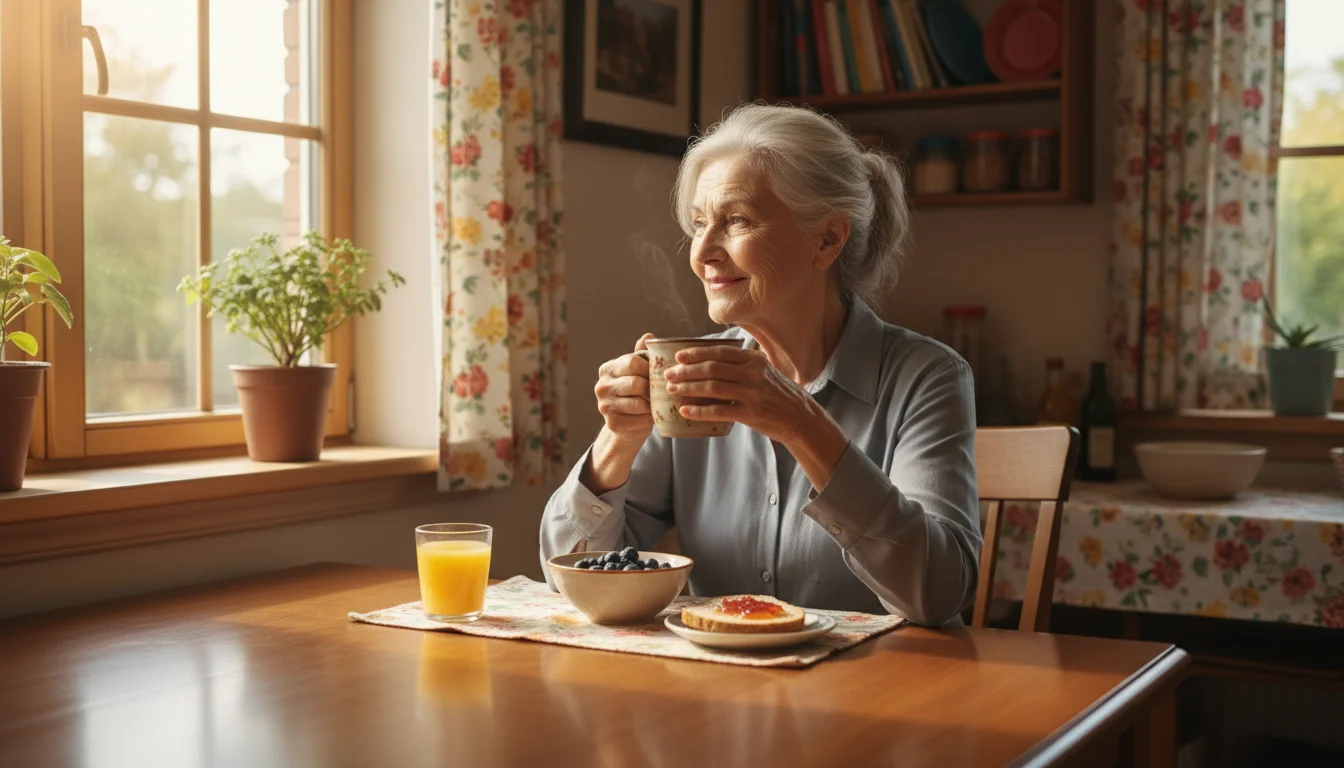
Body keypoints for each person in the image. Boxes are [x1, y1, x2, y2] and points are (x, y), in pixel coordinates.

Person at [539, 104, 980, 626]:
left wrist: (803, 425)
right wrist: (618, 440)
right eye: (700, 224)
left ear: (827, 239)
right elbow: (570, 576)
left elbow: (939, 593)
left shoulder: (927, 378)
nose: (703, 252)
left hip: (879, 692)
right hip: (721, 691)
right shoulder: (687, 377)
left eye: (737, 221)